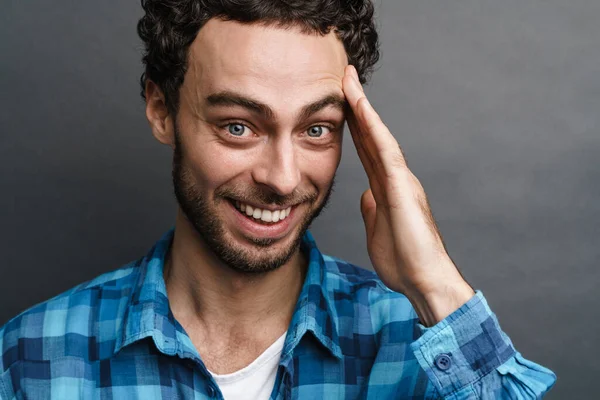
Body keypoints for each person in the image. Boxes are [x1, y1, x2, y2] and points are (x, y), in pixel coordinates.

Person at [0, 1, 557, 399]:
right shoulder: (32, 358)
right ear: (161, 109)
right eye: (239, 127)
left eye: (317, 129)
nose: (284, 179)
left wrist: (435, 284)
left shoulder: (422, 355)